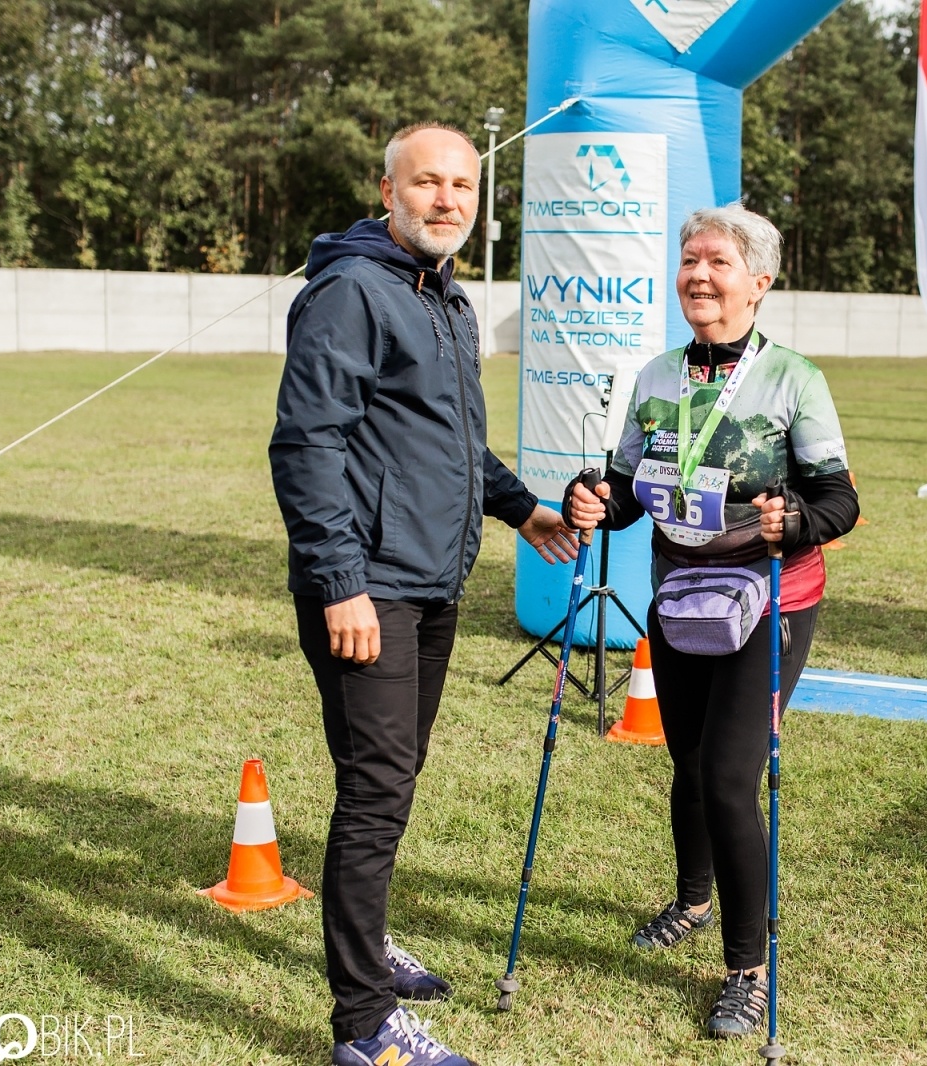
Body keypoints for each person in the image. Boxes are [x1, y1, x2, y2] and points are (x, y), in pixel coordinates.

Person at [270, 122, 577, 1066]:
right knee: (375, 791)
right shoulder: (352, 291)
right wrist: (342, 584)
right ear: (388, 190)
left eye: (462, 186)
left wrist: (522, 509)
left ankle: (369, 947)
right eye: (428, 183)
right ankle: (364, 1025)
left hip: (431, 583)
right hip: (368, 591)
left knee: (388, 781)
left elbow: (446, 445)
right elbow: (306, 445)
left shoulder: (445, 299)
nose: (448, 200)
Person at [564, 204, 859, 1040]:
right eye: (689, 259)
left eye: (718, 262)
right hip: (681, 597)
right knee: (687, 765)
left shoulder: (793, 378)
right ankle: (692, 899)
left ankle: (748, 970)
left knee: (731, 779)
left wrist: (790, 521)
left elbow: (840, 499)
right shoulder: (658, 375)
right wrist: (592, 497)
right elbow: (626, 490)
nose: (698, 275)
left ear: (759, 282)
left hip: (770, 602)